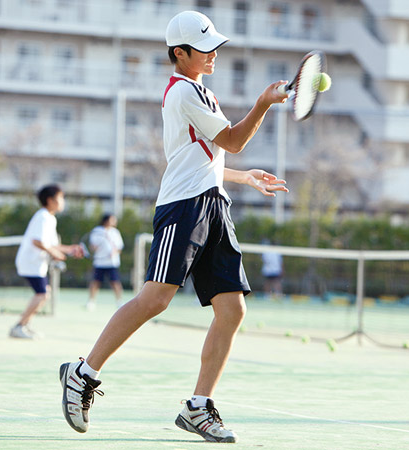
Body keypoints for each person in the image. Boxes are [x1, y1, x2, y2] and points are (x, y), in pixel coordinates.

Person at [59, 10, 289, 443]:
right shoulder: (184, 92)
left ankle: (199, 407)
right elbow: (234, 141)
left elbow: (208, 158)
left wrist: (243, 176)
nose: (214, 52)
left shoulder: (202, 92)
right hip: (183, 208)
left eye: (215, 44)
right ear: (180, 54)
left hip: (213, 206)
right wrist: (263, 103)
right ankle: (83, 373)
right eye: (205, 47)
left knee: (233, 309)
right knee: (155, 299)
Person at [11, 184, 84, 339]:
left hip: (36, 264)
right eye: (60, 198)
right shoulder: (43, 216)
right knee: (42, 294)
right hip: (31, 263)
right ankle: (19, 326)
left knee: (44, 293)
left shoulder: (49, 218)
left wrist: (69, 249)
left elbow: (51, 244)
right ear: (50, 200)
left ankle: (24, 325)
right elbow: (37, 241)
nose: (63, 201)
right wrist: (54, 253)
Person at [86, 214, 124, 310]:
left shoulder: (115, 232)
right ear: (106, 220)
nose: (114, 221)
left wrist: (114, 252)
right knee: (95, 282)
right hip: (99, 262)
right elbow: (92, 246)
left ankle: (119, 302)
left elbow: (119, 247)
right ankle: (91, 302)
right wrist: (94, 248)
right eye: (112, 219)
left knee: (115, 282)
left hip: (112, 263)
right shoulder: (96, 231)